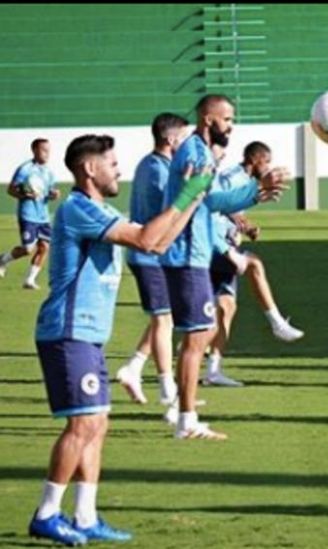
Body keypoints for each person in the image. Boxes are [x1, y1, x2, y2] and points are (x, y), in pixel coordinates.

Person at [27, 134, 207, 545]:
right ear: (90, 169)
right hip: (68, 332)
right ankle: (47, 512)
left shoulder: (100, 209)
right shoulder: (79, 208)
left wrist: (193, 198)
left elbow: (158, 241)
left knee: (98, 424)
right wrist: (188, 192)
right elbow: (145, 240)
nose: (119, 170)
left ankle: (86, 516)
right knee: (83, 423)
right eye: (111, 163)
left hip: (87, 335)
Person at [160, 94, 289, 440]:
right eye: (227, 119)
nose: (231, 126)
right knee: (196, 337)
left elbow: (213, 199)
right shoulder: (196, 153)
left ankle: (181, 410)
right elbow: (212, 198)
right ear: (208, 120)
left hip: (195, 253)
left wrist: (255, 195)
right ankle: (184, 419)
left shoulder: (197, 152)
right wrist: (255, 189)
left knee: (197, 335)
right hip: (188, 253)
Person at [204, 141, 305, 388]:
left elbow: (236, 209)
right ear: (256, 159)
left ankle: (213, 371)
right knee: (255, 264)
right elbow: (222, 204)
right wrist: (242, 221)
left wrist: (247, 227)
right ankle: (277, 323)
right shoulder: (229, 177)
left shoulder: (244, 179)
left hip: (227, 245)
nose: (268, 166)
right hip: (214, 247)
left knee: (226, 309)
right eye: (267, 161)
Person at [115, 113, 189, 409]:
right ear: (171, 139)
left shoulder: (154, 165)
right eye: (183, 137)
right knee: (163, 320)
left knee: (166, 318)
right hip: (150, 255)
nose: (187, 144)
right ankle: (167, 388)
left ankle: (133, 367)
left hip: (154, 255)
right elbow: (166, 216)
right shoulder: (158, 171)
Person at [0, 138, 60, 289]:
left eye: (48, 150)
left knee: (44, 246)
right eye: (43, 150)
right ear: (34, 150)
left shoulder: (49, 172)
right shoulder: (25, 169)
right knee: (28, 249)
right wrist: (24, 195)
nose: (47, 154)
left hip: (43, 216)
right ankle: (3, 259)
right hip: (28, 214)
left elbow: (51, 191)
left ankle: (29, 280)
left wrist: (54, 194)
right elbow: (11, 189)